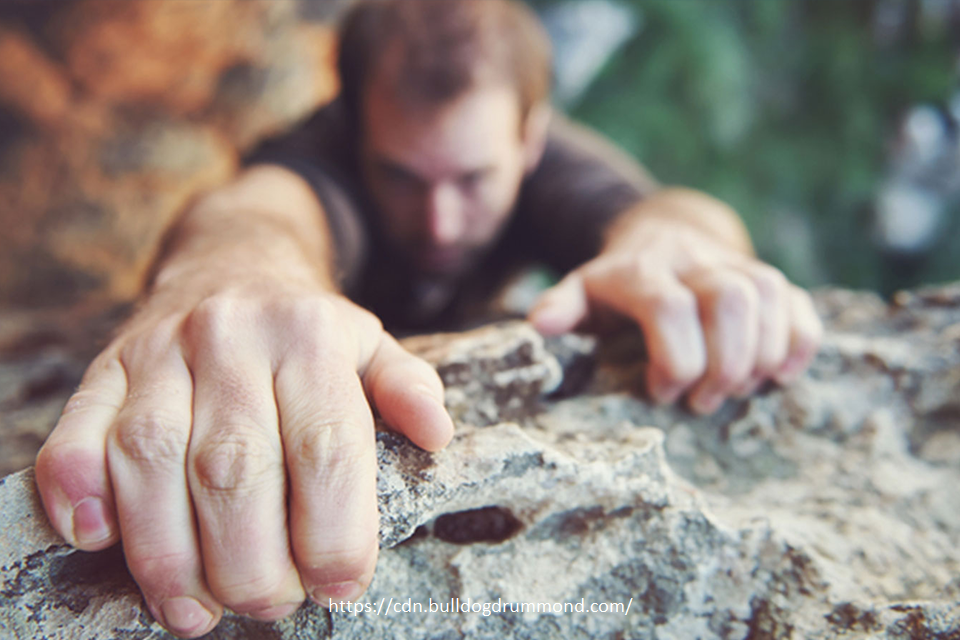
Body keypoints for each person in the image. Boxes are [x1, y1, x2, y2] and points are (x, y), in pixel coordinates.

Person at [33, 1, 822, 637]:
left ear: (531, 138)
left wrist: (689, 244)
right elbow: (257, 212)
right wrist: (231, 279)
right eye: (402, 177)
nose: (441, 221)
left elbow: (663, 213)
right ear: (356, 130)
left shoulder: (550, 165)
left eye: (473, 180)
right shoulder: (321, 150)